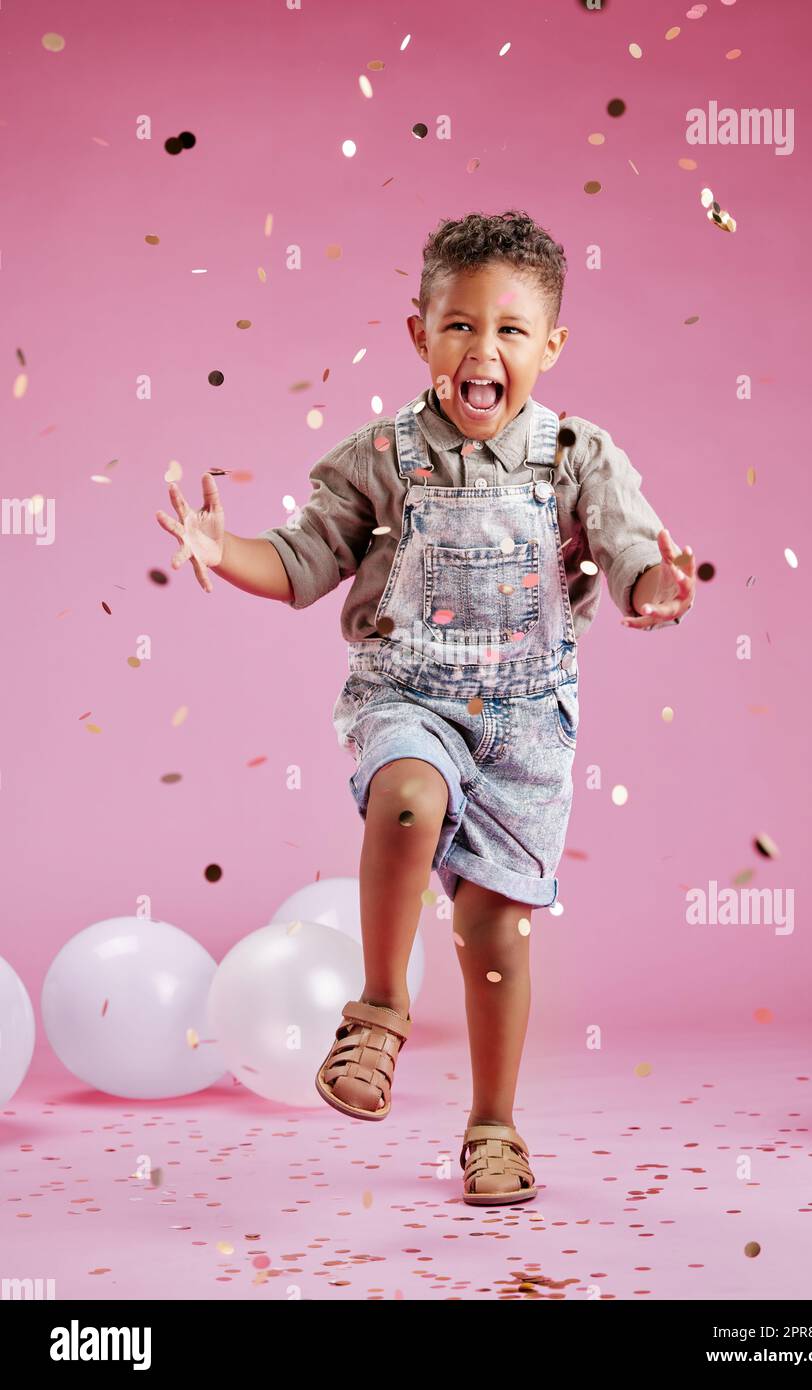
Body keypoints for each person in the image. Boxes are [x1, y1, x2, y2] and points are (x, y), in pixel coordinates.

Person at [156, 209, 696, 1206]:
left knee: (496, 935)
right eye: (457, 325)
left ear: (550, 346)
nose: (481, 350)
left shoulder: (579, 455)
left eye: (509, 330)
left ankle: (492, 1124)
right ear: (419, 333)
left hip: (525, 728)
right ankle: (379, 1008)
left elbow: (628, 551)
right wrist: (220, 551)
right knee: (406, 798)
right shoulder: (381, 456)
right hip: (410, 693)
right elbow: (303, 557)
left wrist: (649, 590)